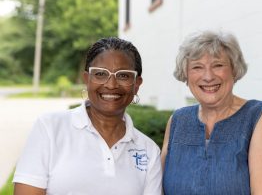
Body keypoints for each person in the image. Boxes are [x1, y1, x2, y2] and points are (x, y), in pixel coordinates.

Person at [13, 37, 162, 195]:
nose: (111, 85)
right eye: (100, 74)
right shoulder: (49, 128)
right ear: (87, 79)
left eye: (123, 76)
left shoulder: (149, 150)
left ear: (137, 84)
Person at [161, 30, 262, 194]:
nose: (208, 76)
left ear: (234, 69)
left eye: (218, 65)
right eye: (197, 67)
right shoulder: (178, 120)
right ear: (186, 75)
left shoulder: (260, 117)